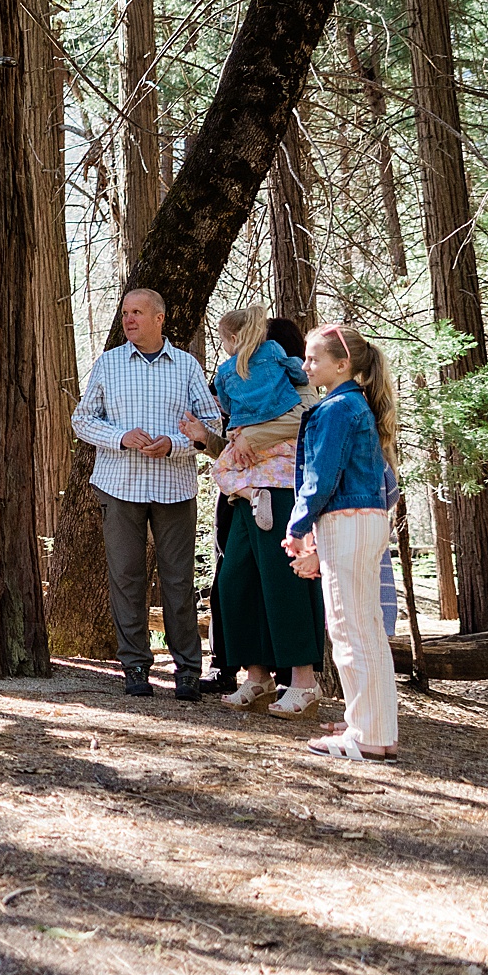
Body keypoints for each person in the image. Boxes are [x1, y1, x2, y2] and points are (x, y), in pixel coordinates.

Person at [71, 288, 221, 700]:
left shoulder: (187, 366)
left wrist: (174, 444)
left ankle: (188, 670)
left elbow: (211, 426)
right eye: (124, 312)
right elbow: (82, 420)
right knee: (126, 577)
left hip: (174, 486)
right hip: (120, 485)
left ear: (159, 318)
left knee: (178, 580)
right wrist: (120, 437)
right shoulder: (109, 363)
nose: (128, 319)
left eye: (137, 312)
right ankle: (135, 665)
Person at [182, 307, 321, 718]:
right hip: (243, 493)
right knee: (235, 582)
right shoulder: (240, 380)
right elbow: (235, 446)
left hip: (279, 490)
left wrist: (249, 435)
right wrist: (207, 438)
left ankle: (303, 682)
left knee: (283, 582)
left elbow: (303, 421)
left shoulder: (299, 383)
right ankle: (257, 676)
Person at [282, 323, 404, 762]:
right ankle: (377, 729)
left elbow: (321, 476)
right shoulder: (355, 406)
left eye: (314, 358)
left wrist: (297, 526)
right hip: (365, 520)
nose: (305, 364)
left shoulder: (337, 409)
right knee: (365, 627)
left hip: (347, 521)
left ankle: (365, 735)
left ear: (342, 364)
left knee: (349, 629)